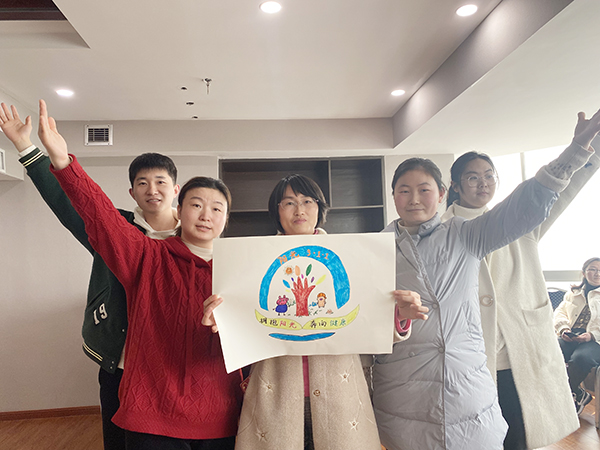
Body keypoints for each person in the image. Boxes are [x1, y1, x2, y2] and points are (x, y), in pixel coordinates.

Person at [372, 107, 600, 450]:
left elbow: (532, 201)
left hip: (474, 372)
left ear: (441, 193)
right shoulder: (376, 248)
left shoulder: (467, 233)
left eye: (424, 189)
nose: (414, 198)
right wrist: (396, 318)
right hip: (406, 380)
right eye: (404, 190)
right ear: (393, 196)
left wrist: (577, 150)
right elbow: (367, 314)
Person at [34, 99, 243, 450]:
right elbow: (100, 216)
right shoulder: (147, 255)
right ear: (179, 208)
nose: (206, 215)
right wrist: (62, 162)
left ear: (226, 219)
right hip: (152, 414)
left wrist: (234, 324)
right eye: (196, 205)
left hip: (221, 414)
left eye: (216, 208)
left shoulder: (240, 272)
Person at [0, 103, 184, 450]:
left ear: (176, 189)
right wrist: (26, 147)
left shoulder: (195, 235)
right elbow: (66, 201)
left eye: (161, 182)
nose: (152, 189)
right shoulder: (113, 228)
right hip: (121, 361)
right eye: (142, 183)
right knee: (117, 440)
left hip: (174, 364)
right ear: (132, 193)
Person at [202, 174, 427, 450]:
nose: (299, 210)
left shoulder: (353, 256)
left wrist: (399, 317)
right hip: (275, 394)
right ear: (276, 211)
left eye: (308, 201)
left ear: (320, 208)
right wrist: (222, 321)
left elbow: (369, 326)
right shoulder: (252, 260)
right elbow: (240, 329)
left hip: (341, 396)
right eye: (289, 202)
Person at [440, 117, 599, 449]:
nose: (483, 184)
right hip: (470, 360)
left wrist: (587, 149)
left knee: (520, 438)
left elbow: (562, 190)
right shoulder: (442, 232)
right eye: (473, 177)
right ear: (455, 185)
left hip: (520, 354)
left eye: (489, 176)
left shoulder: (520, 220)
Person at [554, 257, 600, 415]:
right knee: (550, 353)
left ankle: (564, 396)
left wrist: (591, 335)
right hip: (571, 335)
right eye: (592, 269)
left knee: (581, 358)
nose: (597, 273)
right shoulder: (573, 293)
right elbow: (559, 313)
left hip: (595, 340)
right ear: (584, 273)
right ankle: (579, 394)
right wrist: (563, 329)